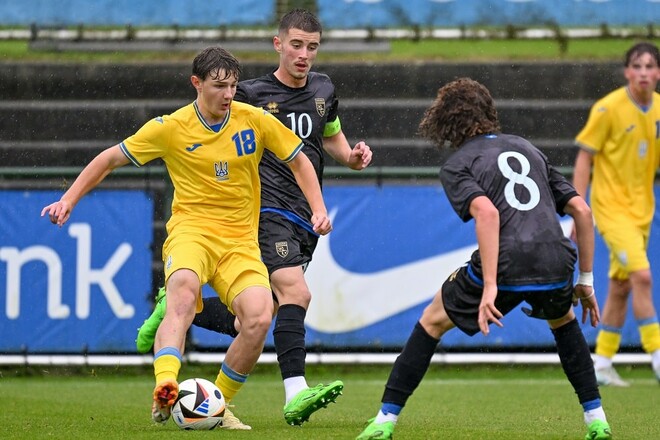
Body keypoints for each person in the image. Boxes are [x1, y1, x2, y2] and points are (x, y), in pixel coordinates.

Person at [41, 46, 332, 429]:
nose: (228, 95)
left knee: (260, 318)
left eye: (232, 86)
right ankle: (165, 386)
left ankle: (217, 403)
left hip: (241, 242)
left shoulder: (255, 120)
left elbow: (299, 159)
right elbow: (109, 159)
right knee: (181, 293)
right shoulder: (170, 128)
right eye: (219, 86)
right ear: (197, 84)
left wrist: (318, 207)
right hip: (191, 234)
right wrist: (68, 199)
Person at [134, 8, 372, 427]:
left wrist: (350, 157)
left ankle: (181, 309)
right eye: (296, 44)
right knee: (296, 294)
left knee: (262, 314)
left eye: (312, 47)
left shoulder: (323, 88)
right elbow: (207, 119)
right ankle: (294, 392)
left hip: (302, 215)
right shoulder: (248, 94)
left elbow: (329, 136)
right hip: (263, 213)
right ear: (278, 44)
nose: (304, 55)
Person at [356, 78, 612, 440]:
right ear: (489, 113)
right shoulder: (527, 148)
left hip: (506, 262)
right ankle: (597, 419)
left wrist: (491, 285)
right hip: (556, 257)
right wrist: (586, 280)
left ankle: (384, 421)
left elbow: (488, 215)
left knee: (431, 322)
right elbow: (582, 212)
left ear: (446, 120)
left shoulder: (458, 164)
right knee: (563, 321)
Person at [573, 41, 660, 387]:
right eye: (636, 66)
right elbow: (584, 157)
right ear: (627, 72)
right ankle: (656, 356)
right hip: (611, 210)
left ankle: (602, 362)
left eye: (649, 66)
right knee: (642, 277)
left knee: (622, 285)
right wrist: (580, 206)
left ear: (658, 73)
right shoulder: (608, 109)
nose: (643, 73)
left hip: (642, 211)